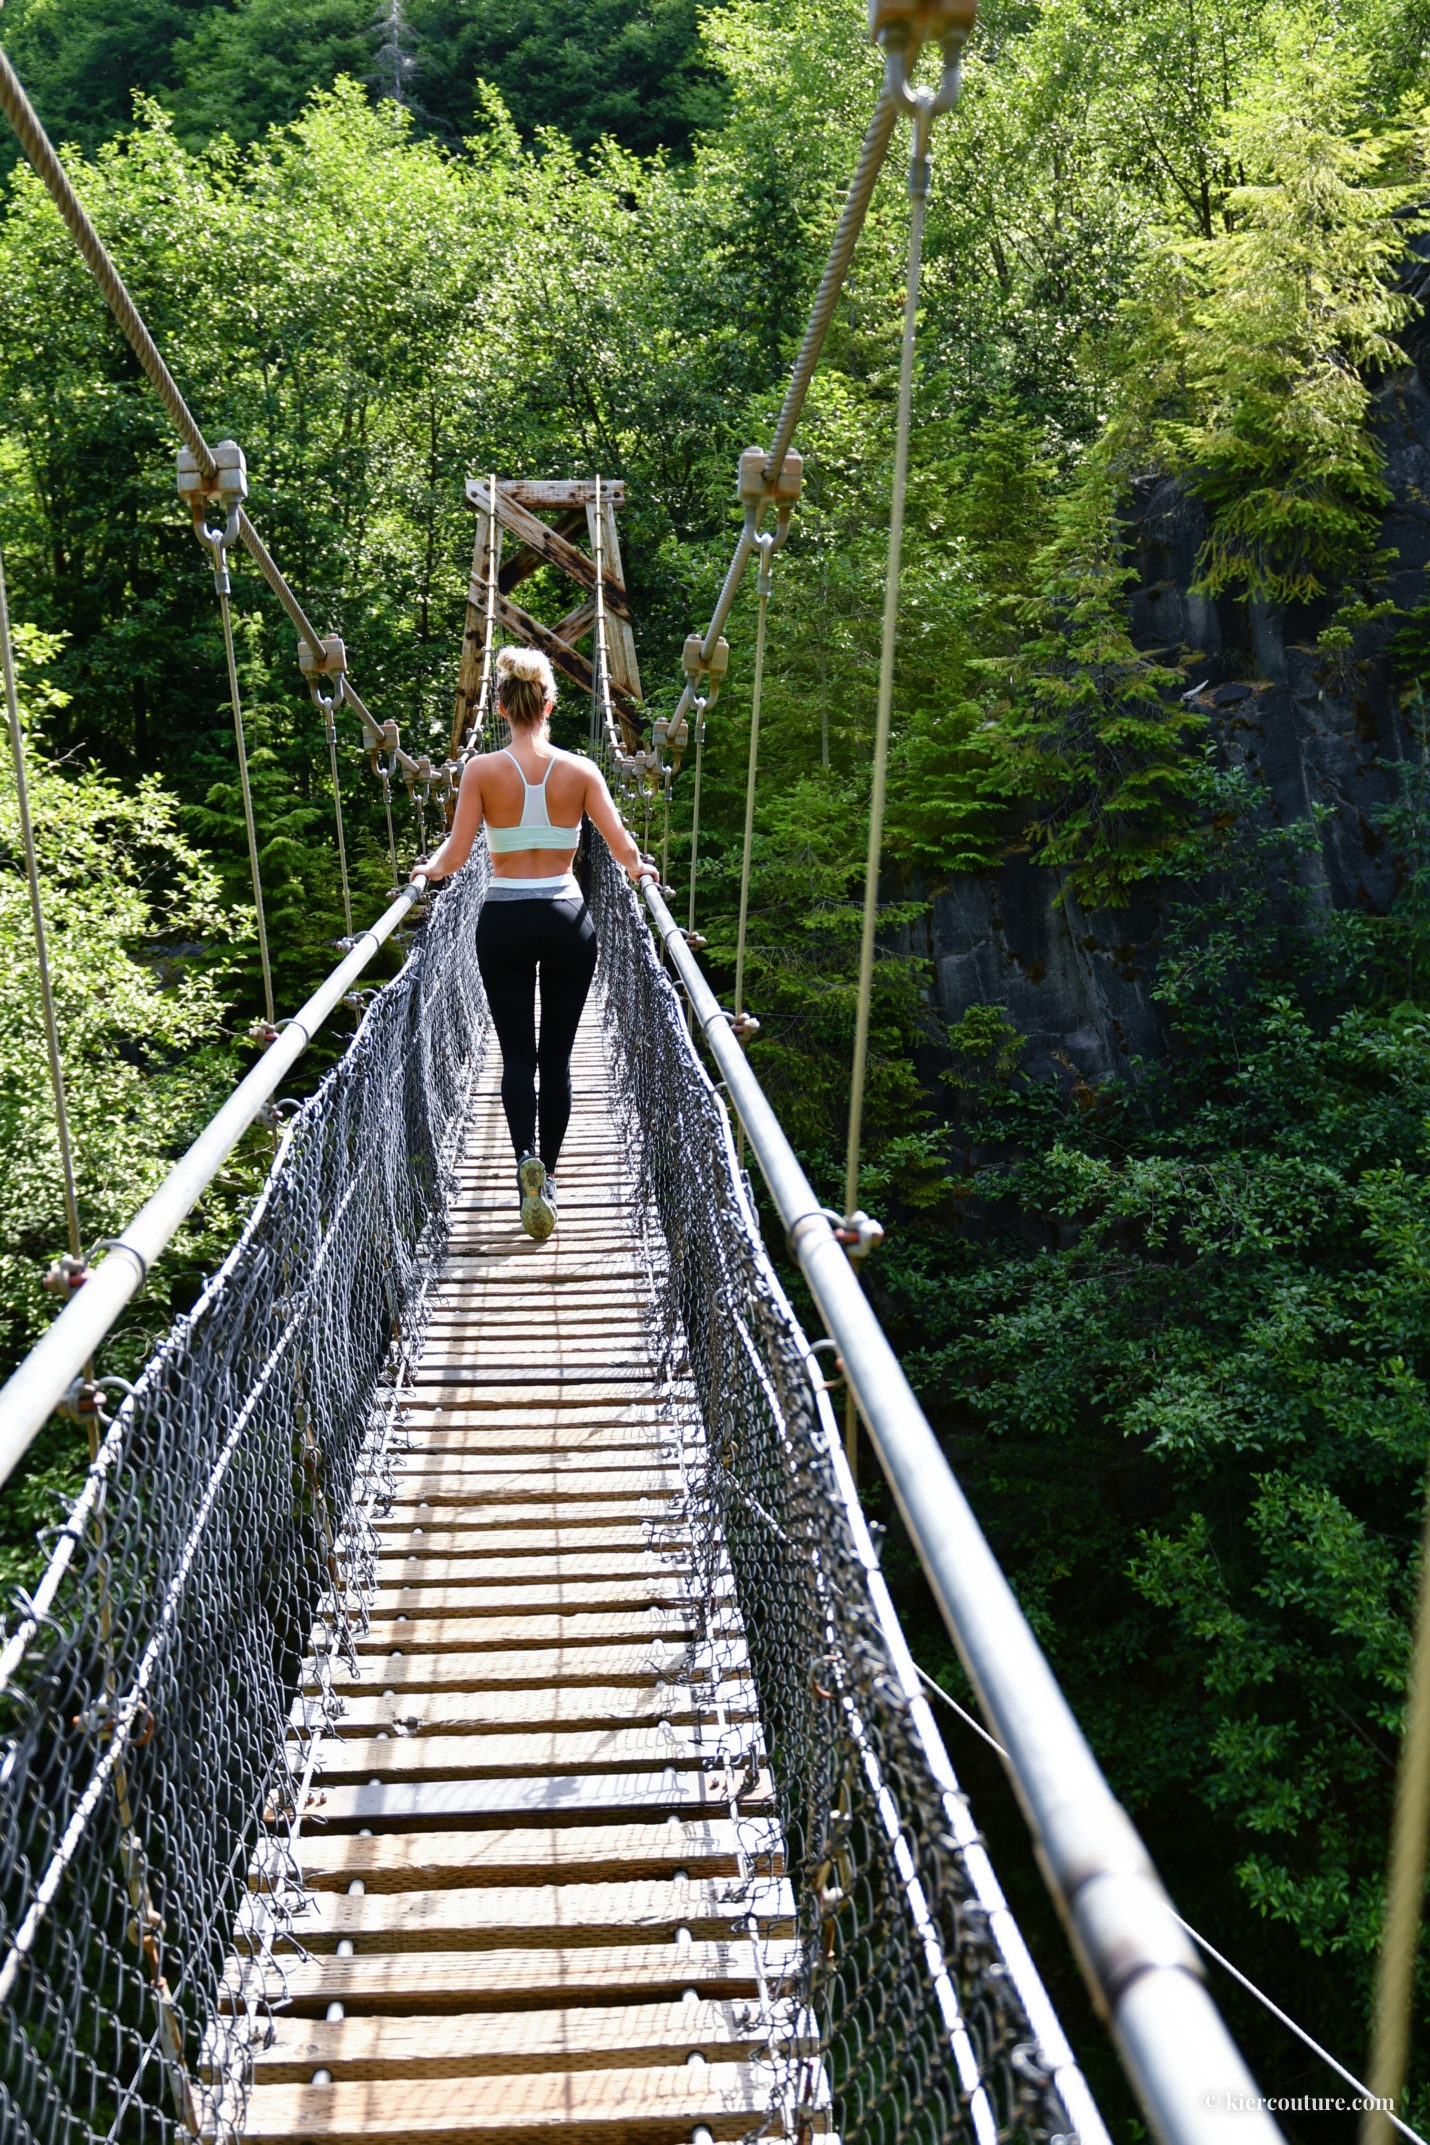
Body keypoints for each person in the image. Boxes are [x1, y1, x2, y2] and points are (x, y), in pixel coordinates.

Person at [413, 645, 655, 1242]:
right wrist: (642, 874)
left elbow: (456, 853)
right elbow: (622, 846)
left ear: (500, 707)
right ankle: (549, 1180)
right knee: (558, 1060)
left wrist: (426, 873)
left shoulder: (480, 771)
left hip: (504, 920)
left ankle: (525, 1156)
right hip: (568, 919)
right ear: (550, 705)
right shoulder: (581, 771)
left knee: (517, 1056)